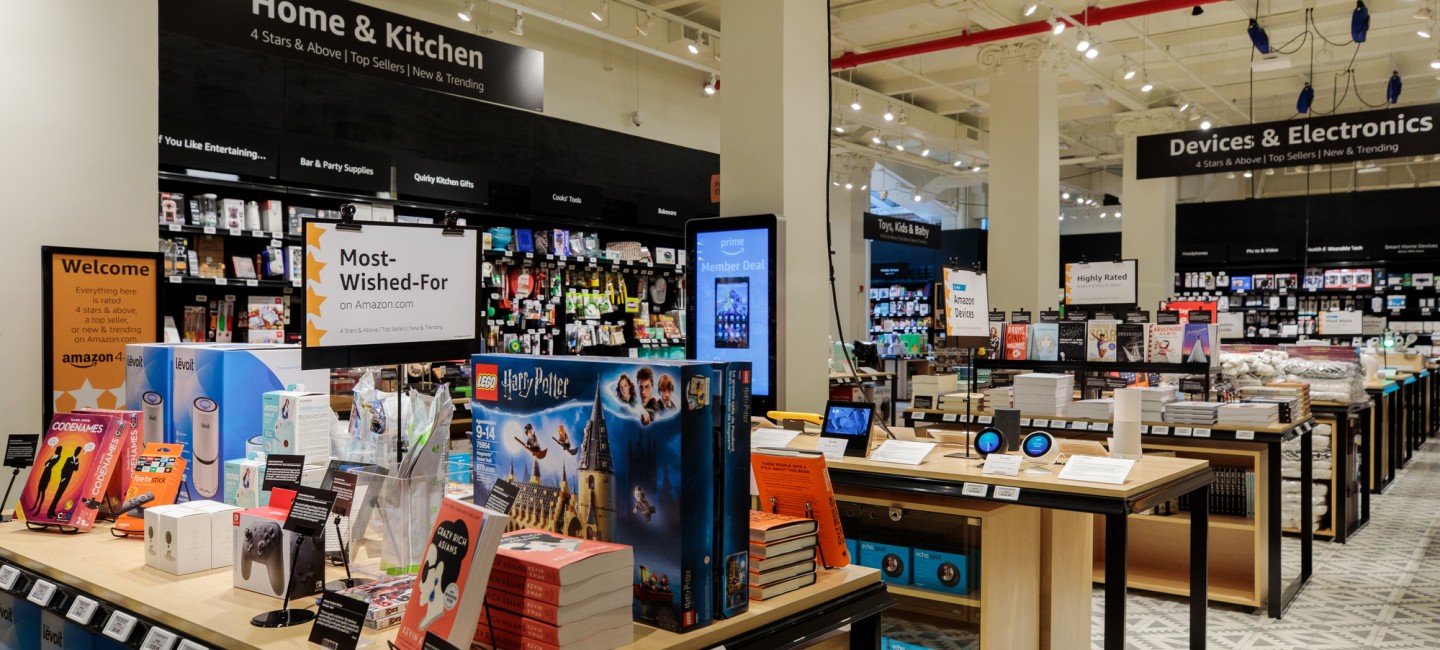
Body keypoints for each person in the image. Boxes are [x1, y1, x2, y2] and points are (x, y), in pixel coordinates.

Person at [47, 447, 83, 520]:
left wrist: (76, 463)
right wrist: (62, 478)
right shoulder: (69, 459)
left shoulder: (76, 460)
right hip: (64, 479)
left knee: (59, 495)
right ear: (75, 450)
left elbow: (76, 469)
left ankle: (52, 510)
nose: (77, 452)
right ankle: (49, 512)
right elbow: (63, 468)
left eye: (79, 451)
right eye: (77, 450)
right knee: (57, 495)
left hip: (67, 480)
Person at [31, 446, 63, 516]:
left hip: (48, 474)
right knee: (39, 490)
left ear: (59, 450)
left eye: (57, 449)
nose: (56, 450)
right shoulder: (53, 455)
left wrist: (49, 463)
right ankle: (35, 505)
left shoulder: (58, 456)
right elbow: (46, 462)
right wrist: (48, 463)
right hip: (45, 472)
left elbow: (51, 463)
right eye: (56, 449)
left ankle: (39, 509)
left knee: (43, 491)